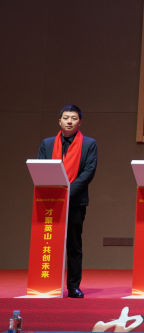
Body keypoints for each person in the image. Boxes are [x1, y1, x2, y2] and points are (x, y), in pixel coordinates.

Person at [36, 105, 98, 298]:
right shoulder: (47, 144)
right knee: (48, 243)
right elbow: (40, 168)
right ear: (59, 121)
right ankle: (47, 284)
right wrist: (56, 192)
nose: (69, 121)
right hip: (50, 201)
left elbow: (89, 172)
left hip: (75, 201)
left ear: (80, 122)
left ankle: (73, 286)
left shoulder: (89, 144)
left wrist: (67, 191)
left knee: (73, 245)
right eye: (65, 118)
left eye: (73, 118)